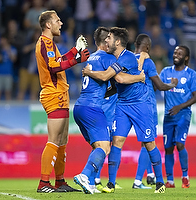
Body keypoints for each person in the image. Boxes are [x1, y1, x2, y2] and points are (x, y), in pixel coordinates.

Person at [82, 27, 166, 194]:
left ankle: (160, 183)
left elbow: (118, 78)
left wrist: (90, 72)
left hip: (140, 104)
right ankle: (111, 184)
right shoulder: (112, 57)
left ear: (117, 42)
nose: (107, 40)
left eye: (110, 38)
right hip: (122, 104)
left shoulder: (126, 57)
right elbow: (117, 82)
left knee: (149, 143)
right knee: (117, 142)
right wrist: (139, 76)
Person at [73, 26, 145, 194]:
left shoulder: (91, 58)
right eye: (108, 39)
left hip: (79, 107)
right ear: (105, 43)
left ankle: (90, 183)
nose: (108, 42)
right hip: (93, 108)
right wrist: (140, 77)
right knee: (105, 148)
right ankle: (84, 175)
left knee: (97, 146)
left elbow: (107, 86)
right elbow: (116, 78)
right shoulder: (106, 58)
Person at [35, 10, 90, 193]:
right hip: (53, 93)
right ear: (48, 24)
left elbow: (58, 60)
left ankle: (59, 181)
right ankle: (44, 183)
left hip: (61, 93)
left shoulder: (50, 44)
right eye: (58, 21)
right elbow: (54, 66)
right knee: (53, 139)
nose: (61, 23)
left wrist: (75, 51)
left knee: (62, 140)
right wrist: (76, 59)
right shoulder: (45, 43)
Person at [132, 33, 178, 189]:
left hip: (130, 105)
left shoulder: (128, 59)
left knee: (142, 142)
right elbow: (159, 86)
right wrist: (172, 85)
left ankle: (149, 175)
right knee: (148, 142)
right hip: (147, 106)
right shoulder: (149, 62)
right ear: (147, 47)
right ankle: (138, 181)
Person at [160, 45, 196, 188]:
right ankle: (170, 181)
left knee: (180, 144)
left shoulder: (191, 74)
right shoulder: (165, 72)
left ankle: (185, 176)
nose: (176, 55)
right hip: (168, 116)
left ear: (186, 57)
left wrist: (180, 107)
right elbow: (157, 86)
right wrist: (169, 84)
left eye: (180, 53)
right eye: (175, 52)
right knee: (168, 148)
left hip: (183, 114)